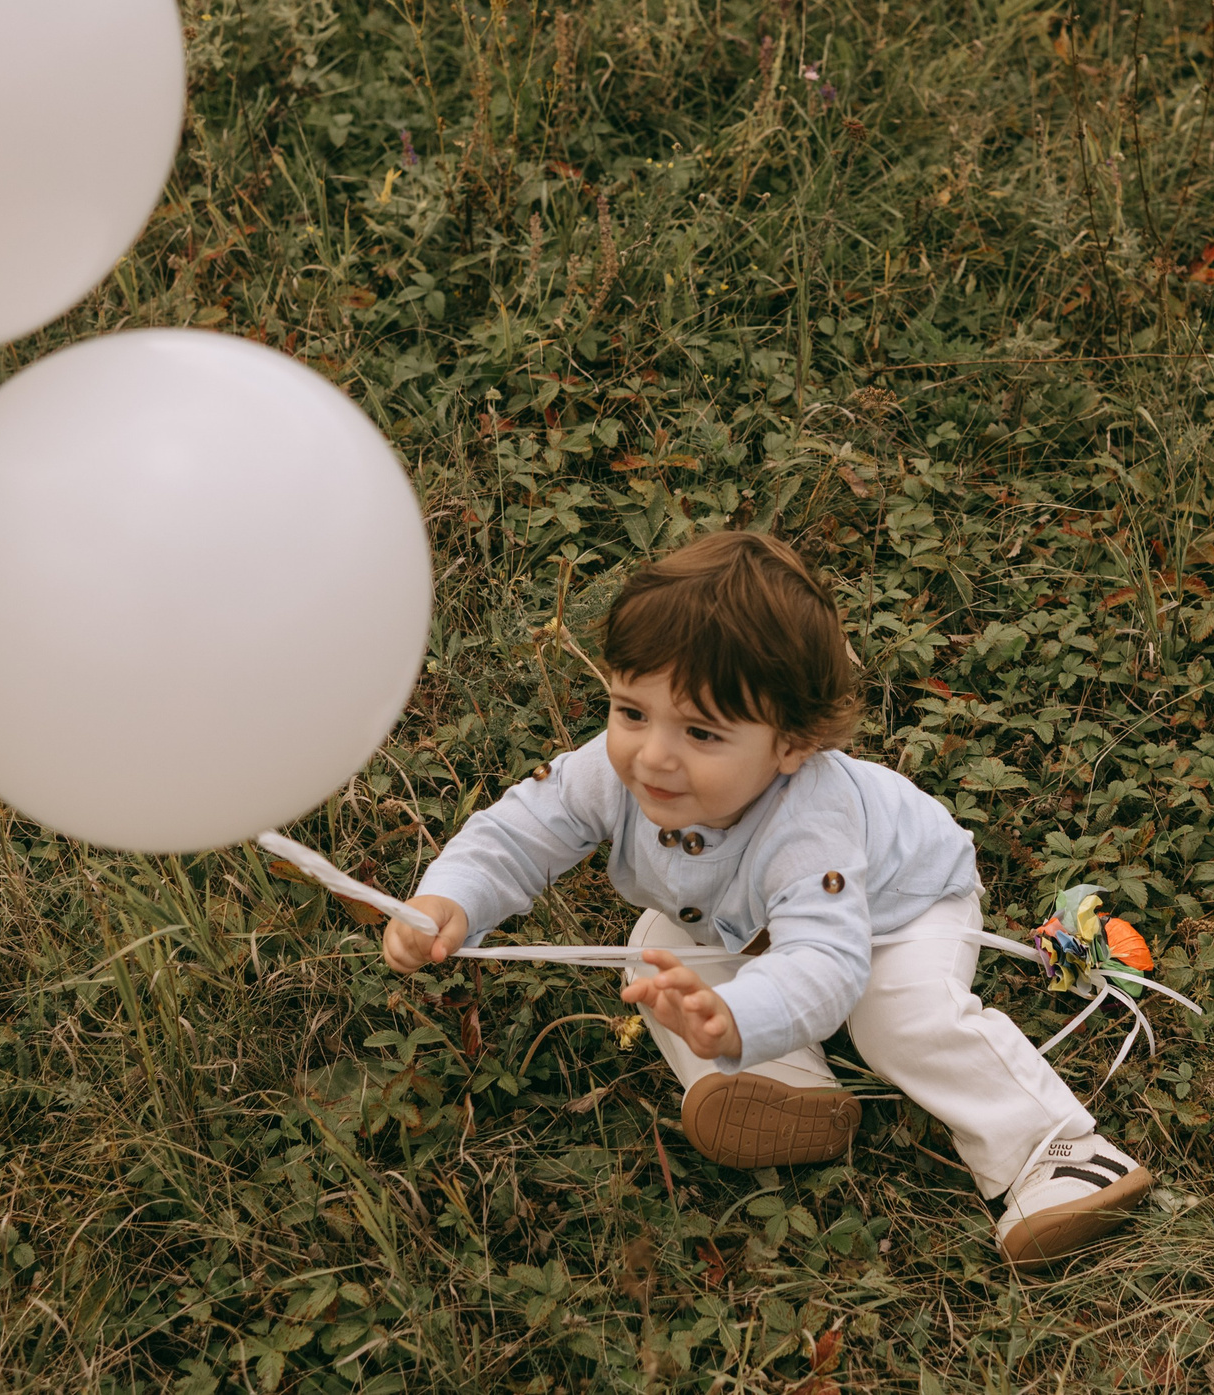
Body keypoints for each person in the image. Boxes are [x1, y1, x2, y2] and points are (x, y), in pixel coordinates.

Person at [381, 530, 1153, 1267]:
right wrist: (451, 897)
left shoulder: (809, 826)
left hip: (898, 909)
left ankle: (1056, 1150)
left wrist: (742, 1012)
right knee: (656, 952)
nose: (653, 754)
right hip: (753, 922)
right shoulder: (608, 771)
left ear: (791, 743)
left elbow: (827, 961)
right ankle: (785, 1086)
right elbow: (518, 832)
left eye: (702, 733)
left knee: (895, 1014)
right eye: (631, 711)